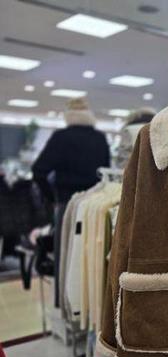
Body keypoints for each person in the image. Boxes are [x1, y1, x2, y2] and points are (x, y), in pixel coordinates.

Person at [32, 97, 110, 306]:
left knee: (65, 257)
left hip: (67, 203)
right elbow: (106, 174)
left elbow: (38, 171)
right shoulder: (100, 139)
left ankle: (64, 305)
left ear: (68, 115)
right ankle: (90, 306)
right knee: (92, 259)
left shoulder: (61, 138)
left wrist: (51, 197)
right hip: (96, 205)